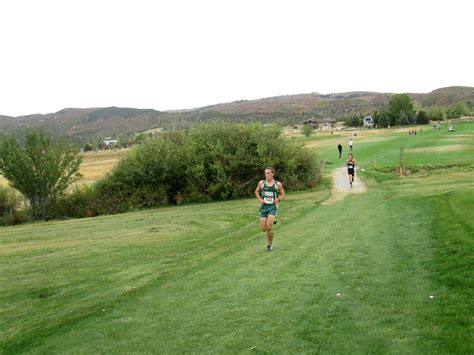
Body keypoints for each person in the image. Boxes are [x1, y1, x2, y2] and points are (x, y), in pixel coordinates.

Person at [255, 167, 286, 252]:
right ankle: (272, 220)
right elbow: (256, 192)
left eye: (268, 173)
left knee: (269, 227)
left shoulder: (277, 184)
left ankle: (269, 245)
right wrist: (260, 199)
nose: (266, 175)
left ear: (272, 174)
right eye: (265, 173)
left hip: (272, 207)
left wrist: (278, 199)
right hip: (264, 207)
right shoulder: (261, 183)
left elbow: (283, 194)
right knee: (263, 229)